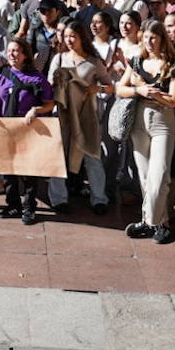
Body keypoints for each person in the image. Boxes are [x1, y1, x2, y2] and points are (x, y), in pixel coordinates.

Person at [115, 19, 175, 243]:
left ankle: (151, 220)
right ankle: (159, 222)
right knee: (144, 177)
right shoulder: (136, 61)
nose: (149, 42)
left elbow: (174, 100)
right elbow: (120, 89)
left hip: (163, 120)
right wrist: (139, 89)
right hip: (139, 122)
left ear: (162, 38)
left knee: (159, 174)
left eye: (153, 37)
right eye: (146, 38)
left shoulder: (173, 64)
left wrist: (152, 94)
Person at [0, 37, 56, 224]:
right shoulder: (2, 73)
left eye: (16, 51)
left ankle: (29, 208)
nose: (11, 54)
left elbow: (49, 104)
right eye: (9, 51)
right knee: (7, 170)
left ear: (25, 55)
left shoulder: (37, 77)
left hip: (27, 131)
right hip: (6, 129)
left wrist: (36, 110)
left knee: (28, 171)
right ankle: (12, 205)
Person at [49, 20, 110, 214]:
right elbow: (50, 85)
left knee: (92, 155)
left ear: (82, 37)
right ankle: (58, 198)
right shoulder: (59, 59)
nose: (69, 40)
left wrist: (95, 89)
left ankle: (99, 198)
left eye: (73, 36)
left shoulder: (93, 62)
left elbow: (109, 86)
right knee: (57, 155)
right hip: (62, 114)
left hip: (86, 115)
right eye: (66, 36)